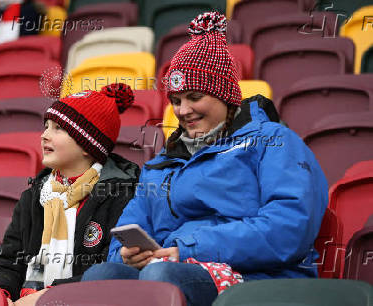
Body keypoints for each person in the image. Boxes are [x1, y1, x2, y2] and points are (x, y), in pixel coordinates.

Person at [81, 11, 329, 306]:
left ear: (225, 96)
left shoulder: (273, 140)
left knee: (160, 280)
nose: (183, 110)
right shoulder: (162, 163)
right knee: (102, 275)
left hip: (260, 278)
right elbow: (134, 223)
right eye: (175, 101)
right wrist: (126, 254)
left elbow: (290, 226)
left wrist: (189, 249)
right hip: (174, 268)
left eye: (195, 97)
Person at [0, 83, 140, 304]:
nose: (44, 135)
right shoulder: (34, 196)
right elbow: (8, 261)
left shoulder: (120, 196)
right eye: (46, 126)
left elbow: (105, 274)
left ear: (87, 144)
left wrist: (48, 297)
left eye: (58, 128)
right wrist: (0, 295)